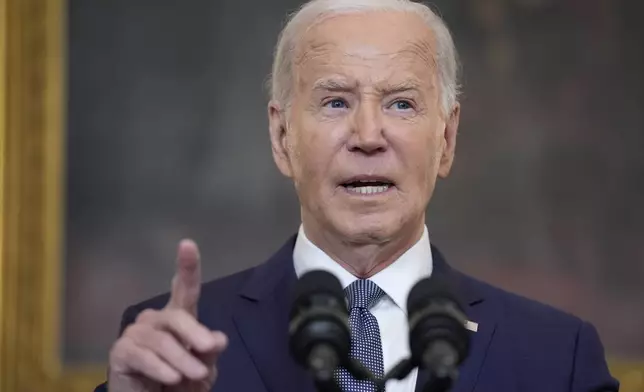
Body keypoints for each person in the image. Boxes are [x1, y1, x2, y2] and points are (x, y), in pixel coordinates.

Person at [95, 0, 619, 391]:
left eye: (401, 104)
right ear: (282, 138)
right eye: (336, 101)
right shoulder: (178, 348)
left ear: (447, 139)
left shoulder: (557, 356)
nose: (368, 135)